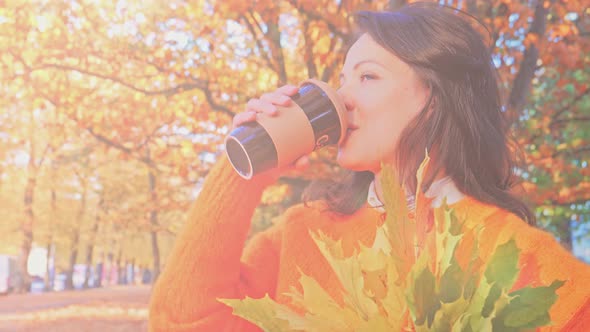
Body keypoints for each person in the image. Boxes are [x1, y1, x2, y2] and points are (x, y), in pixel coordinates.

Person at [149, 3, 590, 331]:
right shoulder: (306, 234)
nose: (342, 98)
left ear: (435, 99)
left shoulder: (513, 253)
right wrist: (243, 168)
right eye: (343, 79)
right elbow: (182, 320)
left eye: (367, 76)